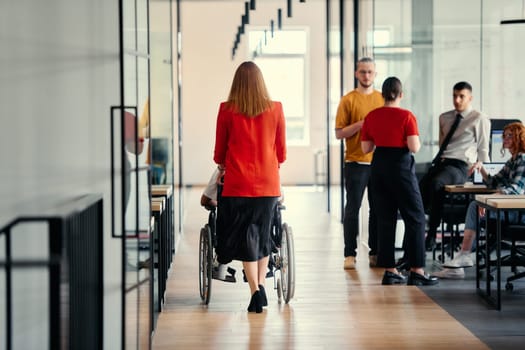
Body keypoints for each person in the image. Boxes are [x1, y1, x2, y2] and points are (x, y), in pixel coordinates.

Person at [213, 61, 286, 313]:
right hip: (267, 184)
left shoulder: (226, 110)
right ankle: (261, 284)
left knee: (247, 237)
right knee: (264, 235)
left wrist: (224, 165)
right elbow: (282, 152)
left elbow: (218, 153)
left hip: (237, 184)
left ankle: (255, 290)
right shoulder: (276, 109)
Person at [361, 76, 438, 286]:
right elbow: (414, 147)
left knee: (385, 219)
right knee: (415, 217)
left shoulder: (371, 116)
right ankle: (417, 270)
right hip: (401, 167)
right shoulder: (407, 116)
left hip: (379, 167)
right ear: (401, 94)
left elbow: (366, 148)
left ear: (383, 94)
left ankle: (390, 270)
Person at [434, 122, 525, 278]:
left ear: (519, 137)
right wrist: (481, 168)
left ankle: (463, 256)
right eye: (504, 135)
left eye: (510, 135)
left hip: (517, 213)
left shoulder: (523, 158)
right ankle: (463, 256)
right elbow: (494, 183)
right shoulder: (513, 160)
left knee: (475, 207)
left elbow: (516, 189)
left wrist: (489, 200)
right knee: (475, 207)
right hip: (509, 210)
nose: (505, 138)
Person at [421, 81, 491, 251]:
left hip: (461, 165)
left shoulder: (479, 118)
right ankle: (415, 237)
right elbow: (442, 145)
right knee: (418, 189)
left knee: (438, 184)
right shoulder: (444, 117)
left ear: (470, 98)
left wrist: (488, 177)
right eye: (454, 96)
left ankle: (431, 235)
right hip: (442, 163)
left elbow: (483, 149)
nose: (457, 100)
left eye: (462, 96)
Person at [335, 57, 384, 270]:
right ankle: (349, 254)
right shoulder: (348, 100)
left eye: (370, 72)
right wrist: (362, 124)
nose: (366, 76)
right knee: (352, 209)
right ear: (356, 73)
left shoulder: (382, 99)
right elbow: (339, 133)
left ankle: (375, 252)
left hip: (379, 162)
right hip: (355, 162)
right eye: (363, 72)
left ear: (375, 74)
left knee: (377, 209)